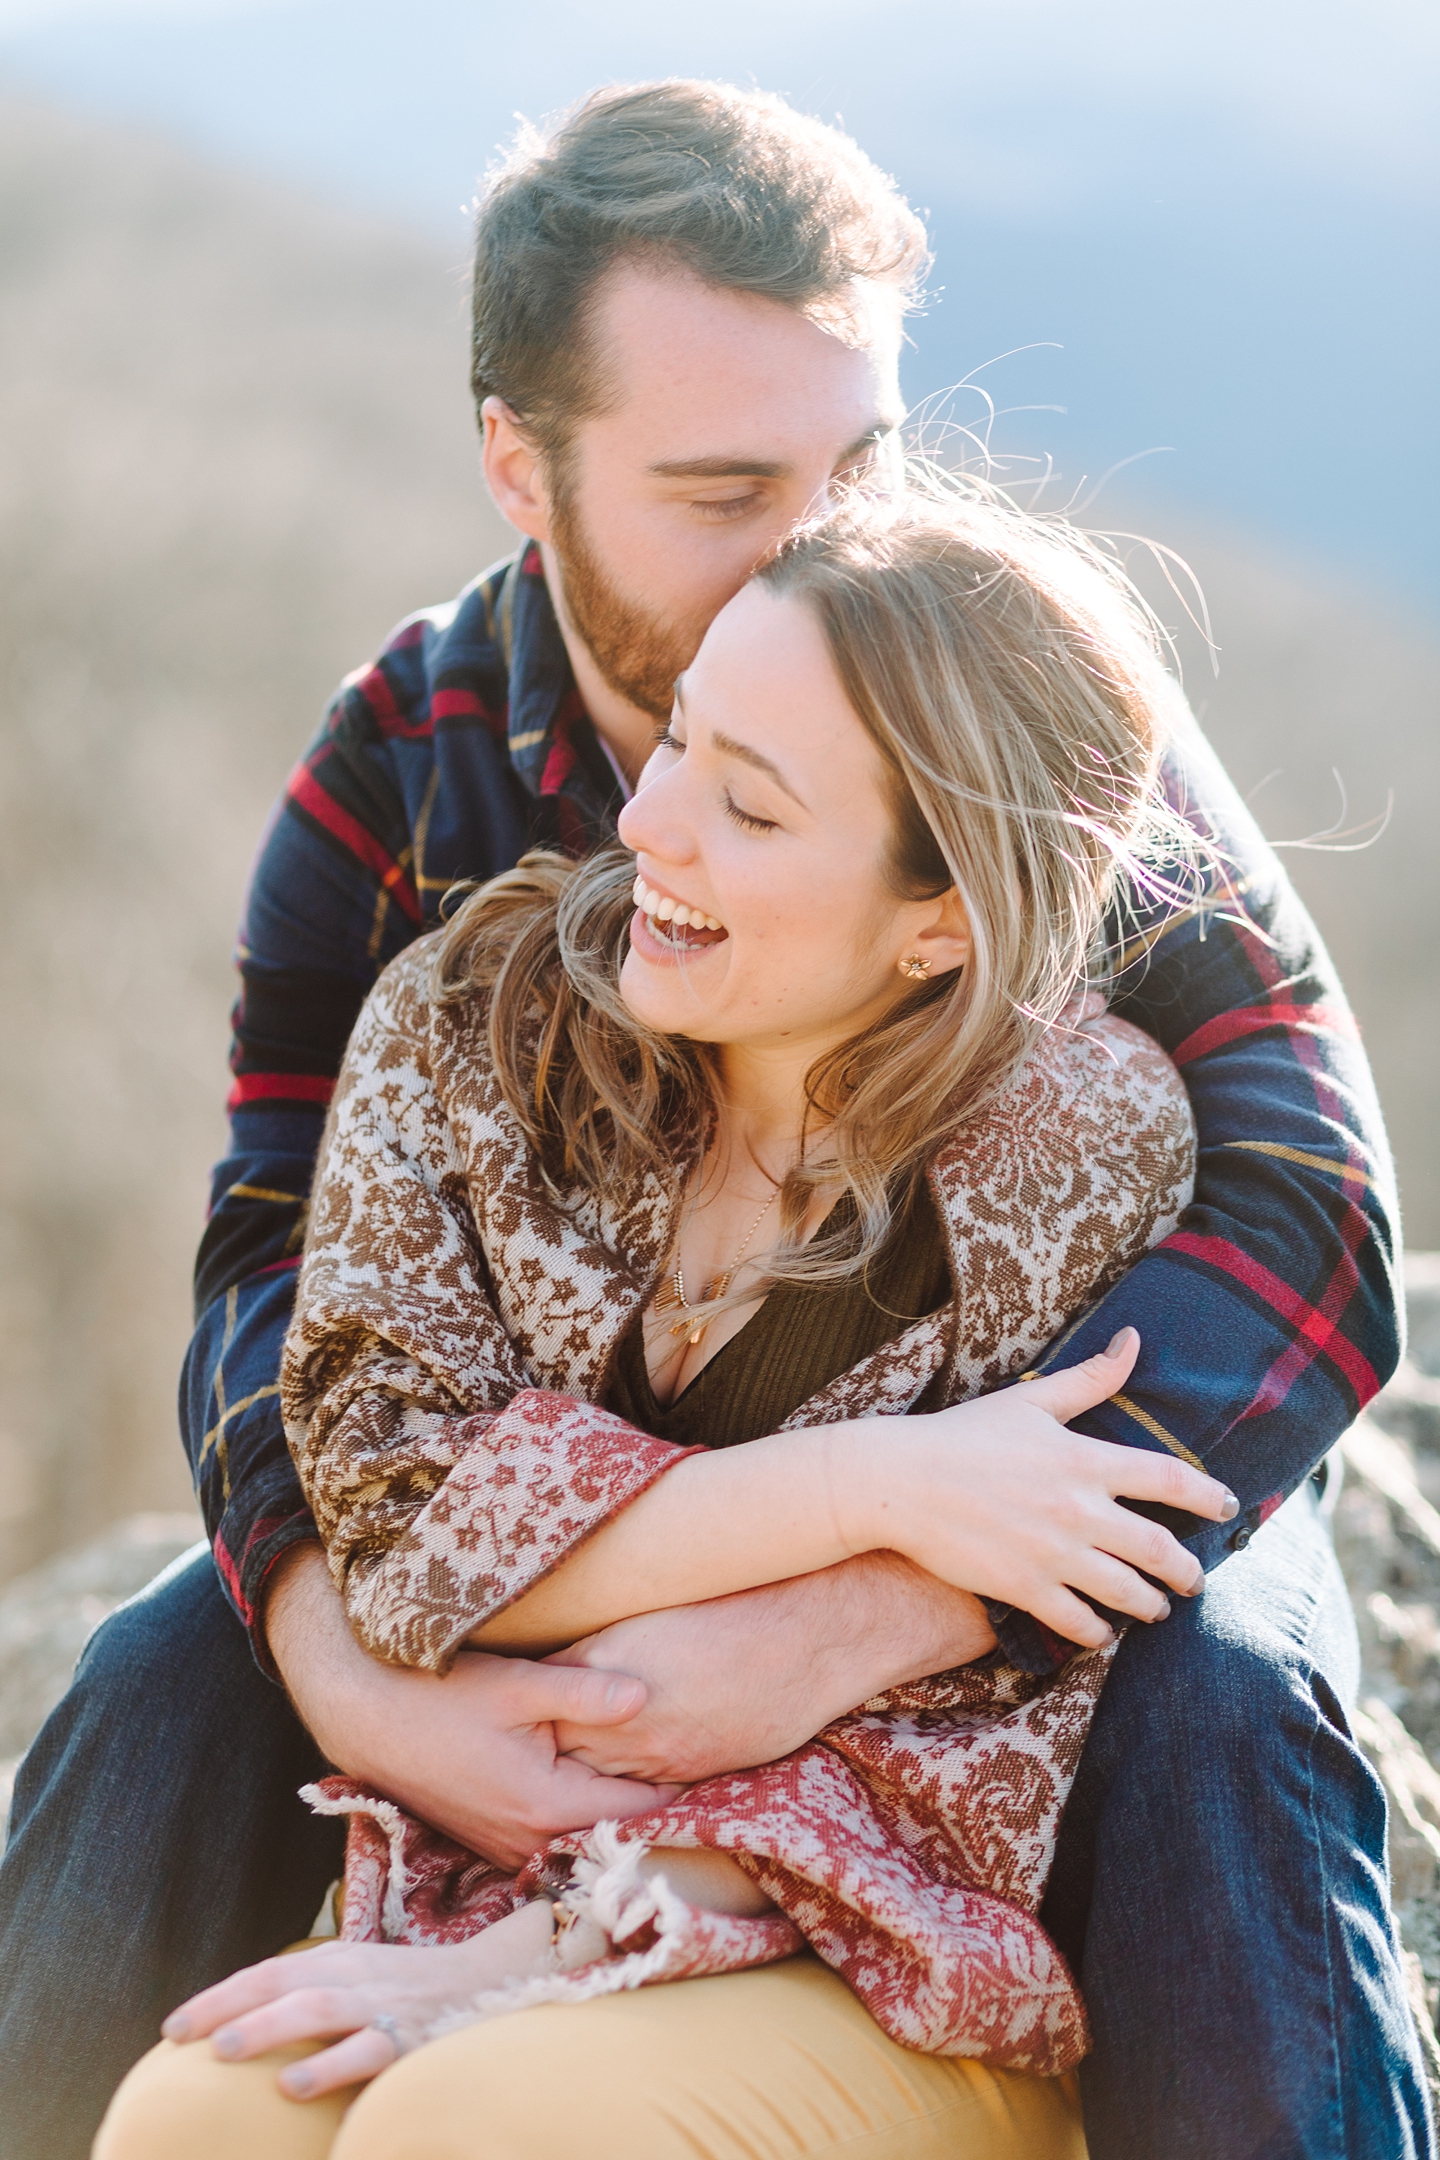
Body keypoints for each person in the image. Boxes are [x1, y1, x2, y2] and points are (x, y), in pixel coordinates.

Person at [0, 79, 1424, 2160]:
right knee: (161, 1676)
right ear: (523, 465)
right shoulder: (402, 775)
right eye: (726, 484)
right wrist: (346, 1658)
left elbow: (1313, 1206)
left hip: (1025, 1490)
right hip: (564, 1485)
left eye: (861, 463)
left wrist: (888, 1591)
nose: (820, 547)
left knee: (1218, 1699)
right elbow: (273, 1270)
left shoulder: (1000, 714)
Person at [98, 480, 1222, 2157]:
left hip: (876, 1950)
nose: (652, 829)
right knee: (200, 2113)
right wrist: (877, 1488)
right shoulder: (466, 1024)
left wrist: (536, 1955)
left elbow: (979, 1732)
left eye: (751, 813)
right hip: (466, 1878)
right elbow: (394, 1531)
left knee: (482, 2124)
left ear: (943, 924)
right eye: (679, 740)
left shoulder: (1079, 1144)